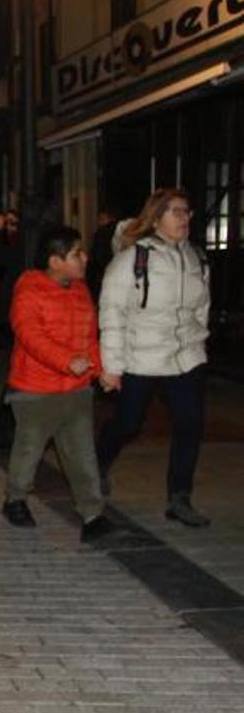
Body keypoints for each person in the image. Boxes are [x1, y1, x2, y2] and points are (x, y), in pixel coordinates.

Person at [97, 188, 211, 527]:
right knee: (128, 423)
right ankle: (98, 464)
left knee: (190, 424)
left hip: (186, 358)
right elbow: (112, 313)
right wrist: (112, 367)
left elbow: (201, 308)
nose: (184, 218)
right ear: (156, 217)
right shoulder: (132, 259)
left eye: (187, 212)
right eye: (176, 211)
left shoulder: (196, 257)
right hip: (141, 356)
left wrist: (198, 343)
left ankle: (180, 497)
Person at [1, 227, 116, 542]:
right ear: (55, 261)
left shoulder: (80, 291)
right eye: (76, 254)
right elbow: (30, 335)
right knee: (29, 450)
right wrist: (66, 360)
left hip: (76, 389)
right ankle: (15, 499)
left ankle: (93, 515)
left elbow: (89, 337)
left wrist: (101, 370)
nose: (85, 258)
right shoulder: (29, 289)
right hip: (35, 390)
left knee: (82, 454)